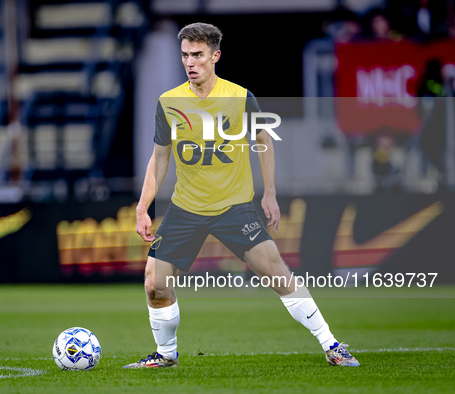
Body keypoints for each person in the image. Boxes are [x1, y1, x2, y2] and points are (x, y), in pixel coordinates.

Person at [124, 23, 359, 369]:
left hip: (234, 207)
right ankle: (166, 355)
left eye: (198, 55)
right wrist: (143, 207)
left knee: (277, 271)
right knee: (154, 283)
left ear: (215, 56)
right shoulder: (168, 102)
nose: (190, 62)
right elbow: (159, 158)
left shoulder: (239, 97)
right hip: (186, 208)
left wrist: (270, 195)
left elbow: (263, 142)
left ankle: (332, 345)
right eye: (186, 55)